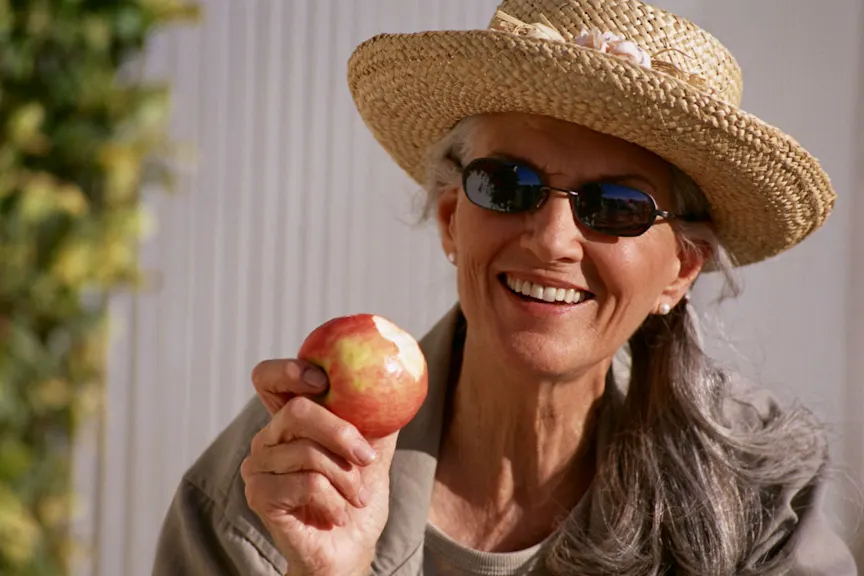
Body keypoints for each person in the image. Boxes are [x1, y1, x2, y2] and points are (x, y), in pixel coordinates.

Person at [152, 1, 859, 574]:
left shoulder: (762, 505)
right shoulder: (287, 475)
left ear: (680, 270)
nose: (551, 239)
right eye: (508, 185)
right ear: (454, 217)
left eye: (616, 206)